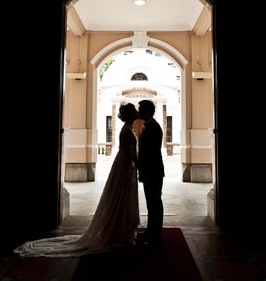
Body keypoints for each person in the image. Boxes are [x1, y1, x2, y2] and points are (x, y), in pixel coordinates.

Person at [14, 103, 140, 257]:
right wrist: (140, 166)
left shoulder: (126, 129)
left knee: (120, 197)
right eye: (134, 111)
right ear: (130, 114)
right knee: (121, 197)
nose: (137, 113)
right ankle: (121, 232)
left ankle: (120, 231)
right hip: (125, 165)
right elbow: (132, 152)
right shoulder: (128, 130)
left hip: (122, 164)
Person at [136, 99, 165, 246]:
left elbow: (151, 154)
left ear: (148, 111)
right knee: (151, 202)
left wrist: (144, 171)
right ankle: (151, 231)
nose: (138, 111)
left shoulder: (154, 128)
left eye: (140, 109)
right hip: (150, 171)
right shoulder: (149, 126)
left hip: (153, 171)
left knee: (154, 202)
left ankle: (156, 234)